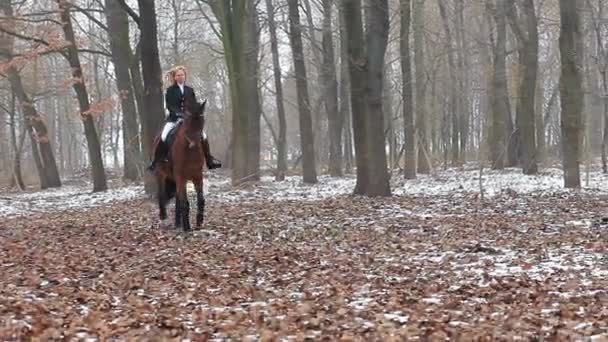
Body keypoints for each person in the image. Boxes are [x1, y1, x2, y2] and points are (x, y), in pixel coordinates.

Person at [147, 65, 222, 172]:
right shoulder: (170, 90)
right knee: (163, 136)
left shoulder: (190, 90)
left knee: (204, 136)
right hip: (174, 119)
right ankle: (156, 161)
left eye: (182, 75)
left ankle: (209, 160)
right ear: (175, 77)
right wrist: (179, 114)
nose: (181, 77)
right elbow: (170, 106)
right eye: (178, 75)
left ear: (185, 76)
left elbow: (193, 104)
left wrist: (195, 111)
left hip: (189, 120)